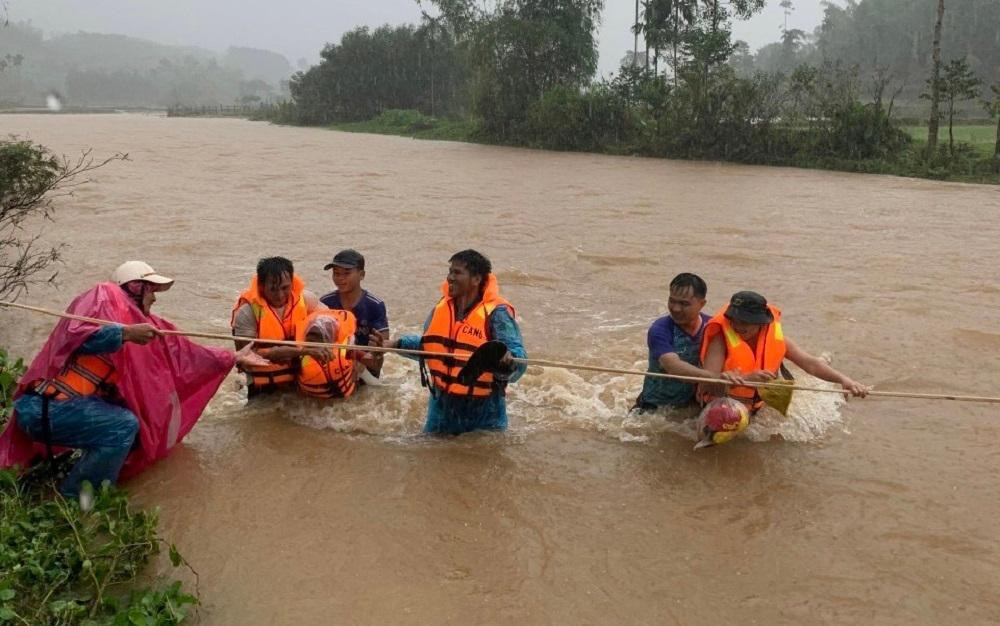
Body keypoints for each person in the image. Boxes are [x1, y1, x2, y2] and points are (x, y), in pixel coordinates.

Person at [0, 261, 265, 502]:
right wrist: (123, 333)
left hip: (63, 410)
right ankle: (76, 499)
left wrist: (232, 357)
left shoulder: (144, 324)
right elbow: (78, 335)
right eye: (151, 290)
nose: (153, 298)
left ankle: (82, 477)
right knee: (124, 425)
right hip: (46, 408)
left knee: (140, 424)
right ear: (135, 287)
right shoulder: (103, 296)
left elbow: (185, 354)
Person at [386, 250, 526, 435]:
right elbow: (430, 347)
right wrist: (396, 345)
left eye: (457, 273)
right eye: (450, 272)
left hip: (484, 416)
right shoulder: (441, 307)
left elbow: (520, 361)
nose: (450, 278)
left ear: (476, 279)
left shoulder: (497, 315)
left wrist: (508, 361)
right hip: (441, 412)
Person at [700, 290, 868, 412]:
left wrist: (844, 380)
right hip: (724, 406)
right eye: (735, 320)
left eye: (746, 322)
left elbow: (811, 365)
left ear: (761, 323)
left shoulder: (776, 340)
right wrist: (745, 379)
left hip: (758, 407)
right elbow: (705, 383)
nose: (738, 326)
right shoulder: (720, 340)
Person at [633, 273, 737, 412]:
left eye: (684, 304)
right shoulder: (660, 329)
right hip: (656, 407)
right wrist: (713, 378)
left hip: (692, 405)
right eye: (672, 301)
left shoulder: (713, 328)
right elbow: (673, 366)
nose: (675, 308)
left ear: (702, 304)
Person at [231, 257, 327, 397]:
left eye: (285, 288)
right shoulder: (247, 312)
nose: (280, 295)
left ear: (292, 283)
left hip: (300, 379)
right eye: (273, 289)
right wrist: (304, 350)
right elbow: (247, 357)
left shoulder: (306, 299)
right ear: (262, 286)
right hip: (263, 386)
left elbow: (333, 323)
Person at [319, 249, 389, 378]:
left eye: (346, 273)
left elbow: (382, 345)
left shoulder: (375, 305)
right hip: (336, 361)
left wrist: (366, 358)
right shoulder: (325, 302)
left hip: (366, 365)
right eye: (336, 273)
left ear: (361, 275)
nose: (340, 278)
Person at [295, 309, 363, 399]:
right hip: (313, 401)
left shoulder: (346, 351)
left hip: (347, 398)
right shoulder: (298, 355)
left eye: (320, 339)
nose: (315, 342)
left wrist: (378, 355)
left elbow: (371, 361)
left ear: (333, 339)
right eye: (311, 339)